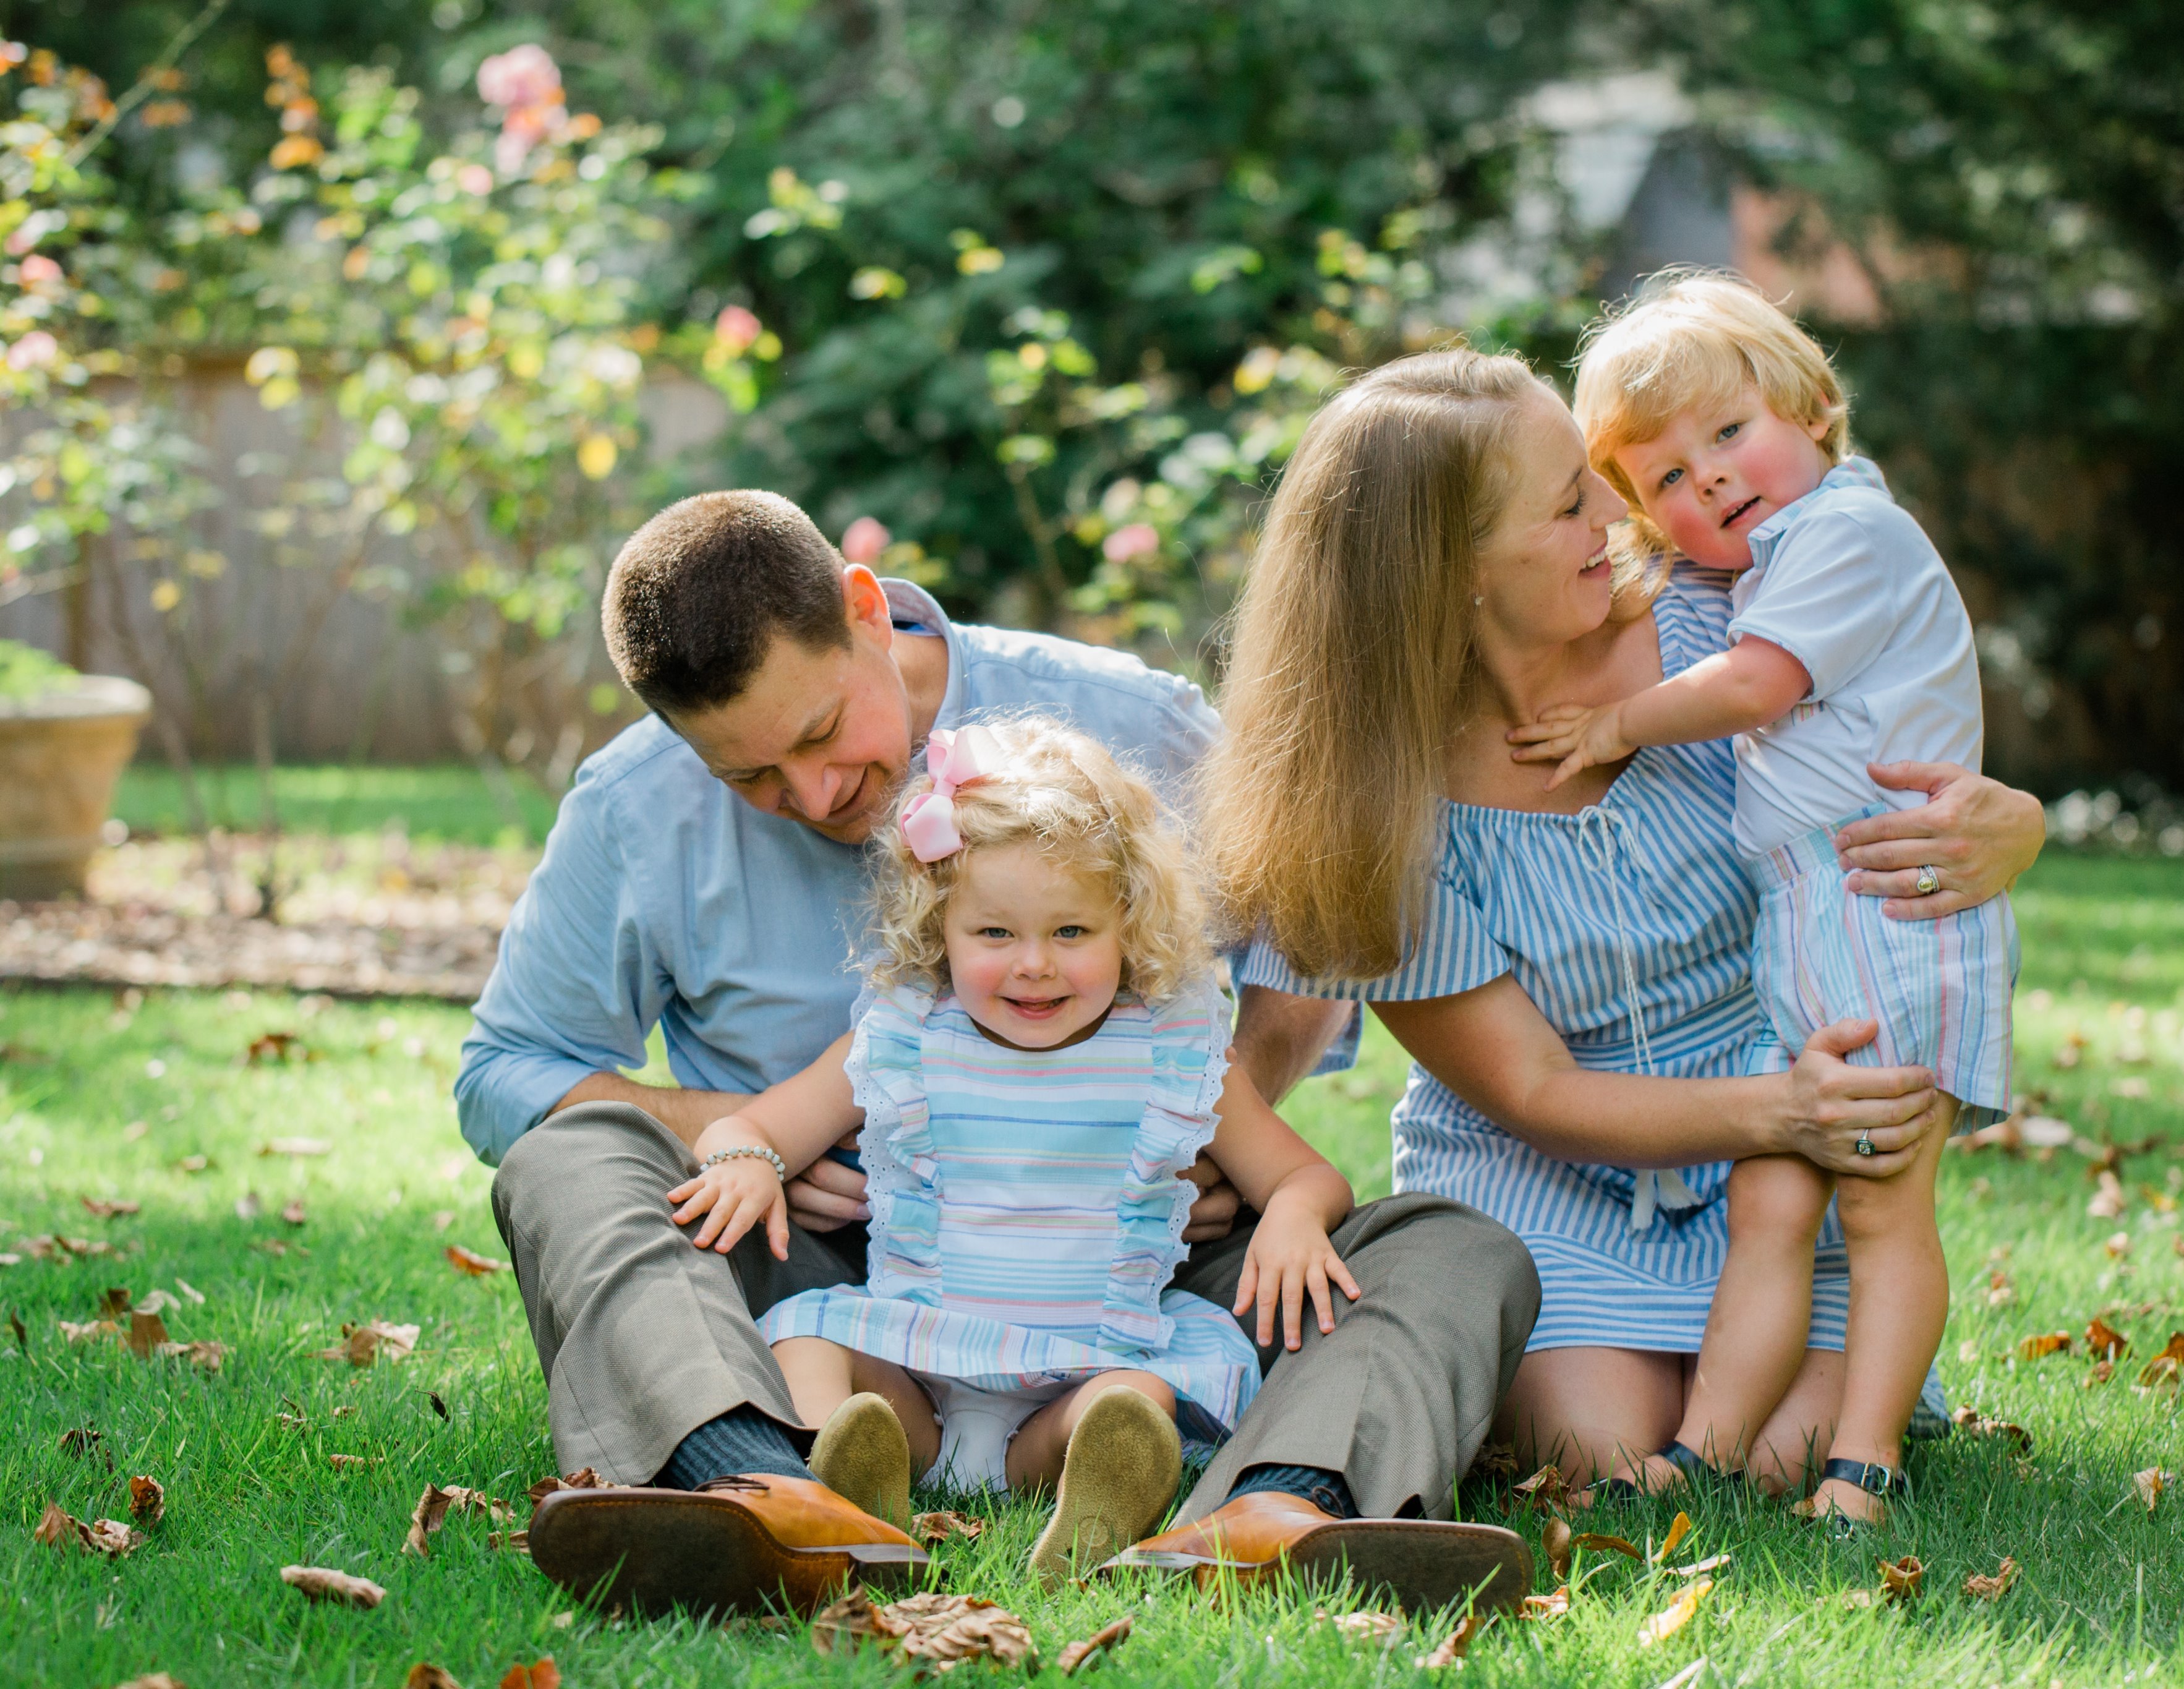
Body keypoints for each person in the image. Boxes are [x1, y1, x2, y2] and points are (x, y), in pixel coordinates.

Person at [467, 490, 1538, 1615]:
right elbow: (505, 1071)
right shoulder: (635, 808)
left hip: (1141, 1265)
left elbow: (1313, 937)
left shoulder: (1134, 719)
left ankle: (1281, 1507)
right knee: (568, 1159)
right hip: (831, 1262)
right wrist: (751, 1144)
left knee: (1454, 1250)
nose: (816, 796)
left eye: (824, 733)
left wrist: (1191, 1143)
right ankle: (756, 1487)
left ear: (867, 612)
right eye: (751, 779)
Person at [1200, 346, 2044, 1505]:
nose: (1620, 512)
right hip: (1554, 1165)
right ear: (1454, 576)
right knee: (1600, 1448)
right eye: (1566, 505)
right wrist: (1780, 1113)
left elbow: (1917, 707)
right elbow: (1535, 1091)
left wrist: (2012, 824)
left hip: (1778, 1142)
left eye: (1598, 478)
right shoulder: (1377, 805)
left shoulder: (1726, 634)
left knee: (1782, 1453)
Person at [1503, 273, 2015, 1526]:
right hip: (1815, 917)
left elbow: (1753, 691)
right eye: (1663, 479)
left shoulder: (1846, 534)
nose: (1708, 482)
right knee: (1771, 1193)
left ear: (1814, 407)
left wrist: (1611, 723)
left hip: (1887, 909)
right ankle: (1707, 1446)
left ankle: (1863, 1462)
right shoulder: (1749, 566)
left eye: (1727, 435)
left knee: (1883, 1203)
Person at [663, 716, 1362, 1587]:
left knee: (1131, 1401)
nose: (1034, 965)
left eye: (1071, 933)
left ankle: (1098, 1494)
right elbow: (753, 1127)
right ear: (940, 928)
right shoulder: (904, 1037)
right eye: (994, 935)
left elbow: (1304, 1173)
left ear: (1129, 923)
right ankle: (839, 1485)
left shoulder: (1175, 1054)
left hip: (1089, 1361)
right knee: (810, 1342)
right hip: (916, 1362)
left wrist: (1294, 1213)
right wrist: (744, 1162)